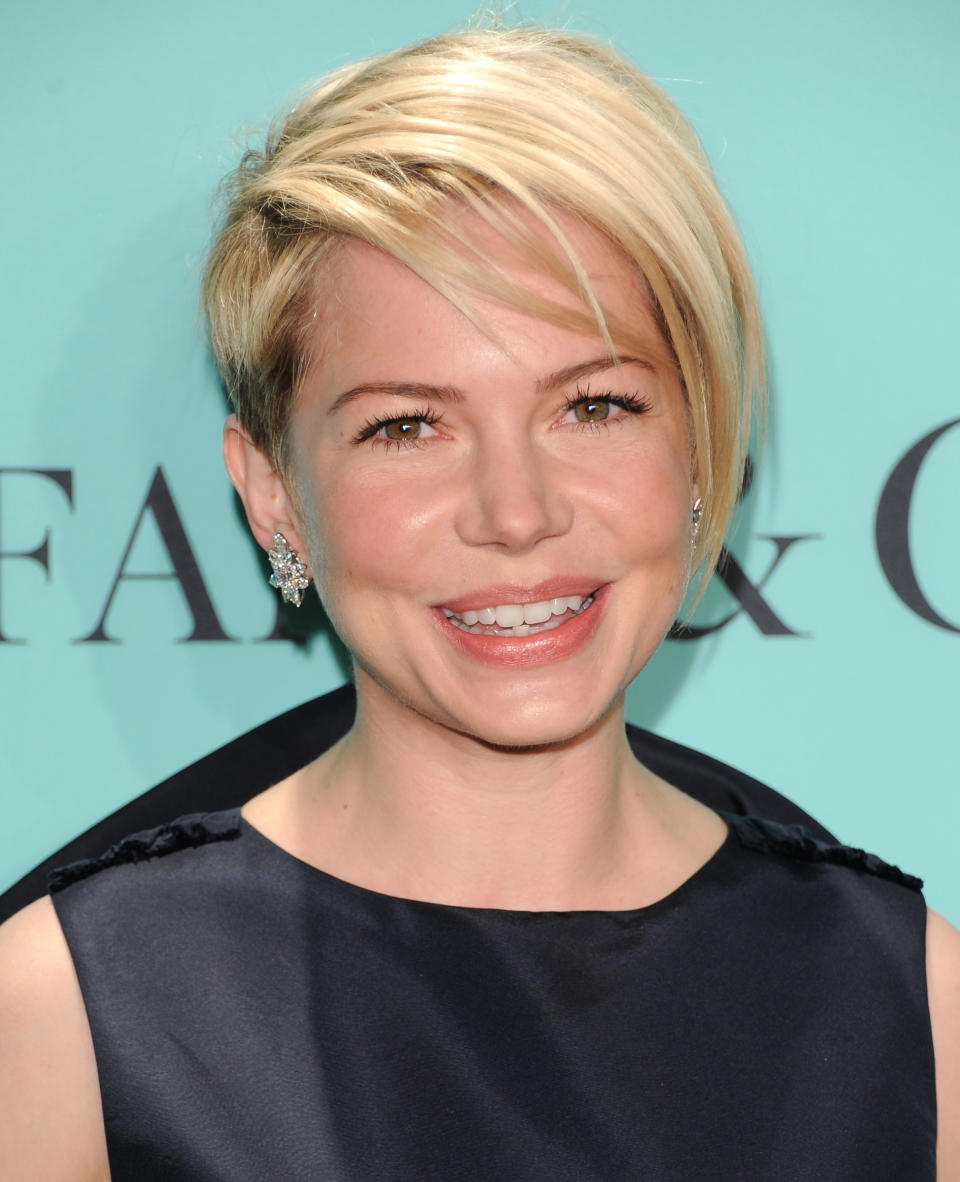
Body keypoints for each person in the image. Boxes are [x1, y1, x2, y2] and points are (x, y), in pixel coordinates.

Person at [1, 26, 957, 1181]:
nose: (515, 511)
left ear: (703, 443)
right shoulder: (67, 1009)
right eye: (409, 425)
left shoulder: (912, 996)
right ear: (272, 494)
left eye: (595, 406)